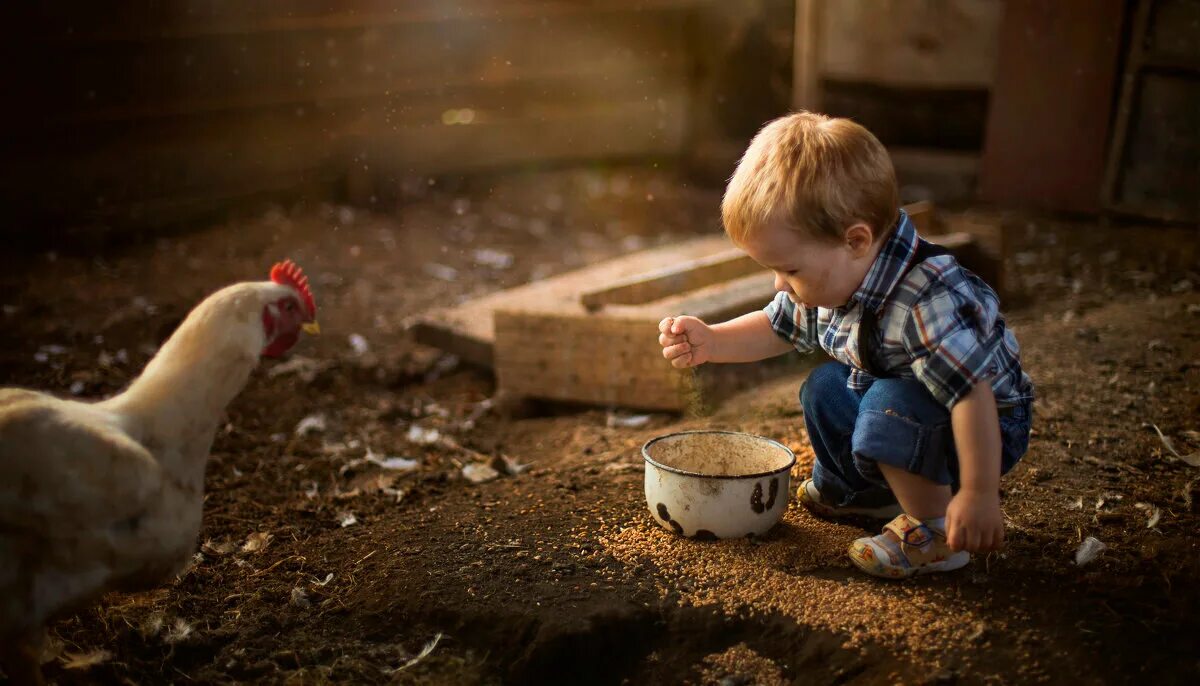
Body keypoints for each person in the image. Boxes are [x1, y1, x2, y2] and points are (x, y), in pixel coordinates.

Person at [657, 111, 1034, 579]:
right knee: (826, 386)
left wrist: (978, 494)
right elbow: (777, 327)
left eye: (790, 269)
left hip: (983, 427)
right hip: (911, 404)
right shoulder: (835, 273)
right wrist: (712, 341)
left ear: (855, 240)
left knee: (885, 402)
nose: (780, 284)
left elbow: (971, 394)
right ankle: (862, 495)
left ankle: (933, 532)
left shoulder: (925, 302)